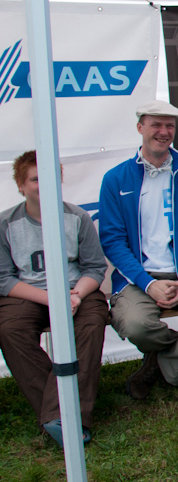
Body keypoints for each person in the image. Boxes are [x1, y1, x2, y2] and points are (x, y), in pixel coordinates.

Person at [100, 100, 178, 400]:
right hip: (137, 277)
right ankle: (171, 358)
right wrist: (148, 284)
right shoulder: (116, 179)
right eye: (156, 125)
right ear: (140, 128)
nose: (163, 132)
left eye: (169, 126)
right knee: (137, 325)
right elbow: (113, 242)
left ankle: (157, 366)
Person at [0, 150, 108, 447]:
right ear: (21, 185)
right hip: (29, 294)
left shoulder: (77, 217)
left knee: (90, 325)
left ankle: (62, 419)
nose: (44, 184)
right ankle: (62, 412)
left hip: (77, 291)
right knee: (10, 329)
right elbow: (4, 279)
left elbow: (94, 268)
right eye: (36, 179)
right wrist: (51, 299)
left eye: (50, 178)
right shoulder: (6, 223)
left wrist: (74, 295)